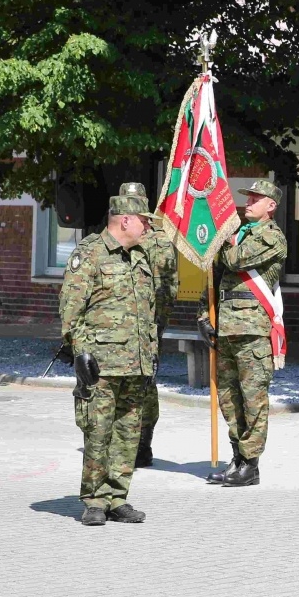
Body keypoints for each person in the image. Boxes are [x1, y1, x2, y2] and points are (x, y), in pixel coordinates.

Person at [59, 192, 159, 526]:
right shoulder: (90, 254)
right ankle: (95, 500)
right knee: (98, 432)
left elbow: (149, 311)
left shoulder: (140, 256)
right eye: (144, 220)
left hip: (137, 363)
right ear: (125, 220)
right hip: (101, 364)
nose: (147, 226)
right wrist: (79, 352)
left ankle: (118, 497)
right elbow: (71, 309)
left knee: (129, 433)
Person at [200, 179, 288, 488]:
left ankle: (251, 464)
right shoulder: (235, 235)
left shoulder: (274, 238)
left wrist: (221, 237)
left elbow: (235, 260)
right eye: (248, 196)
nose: (248, 201)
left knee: (252, 399)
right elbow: (214, 275)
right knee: (228, 397)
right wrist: (203, 316)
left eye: (256, 198)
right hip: (226, 326)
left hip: (252, 329)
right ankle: (237, 456)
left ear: (271, 206)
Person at [116, 183, 179, 469]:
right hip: (115, 329)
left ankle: (142, 443)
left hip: (146, 327)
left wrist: (155, 328)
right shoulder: (114, 238)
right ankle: (118, 441)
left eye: (135, 202)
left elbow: (167, 289)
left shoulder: (159, 242)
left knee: (145, 383)